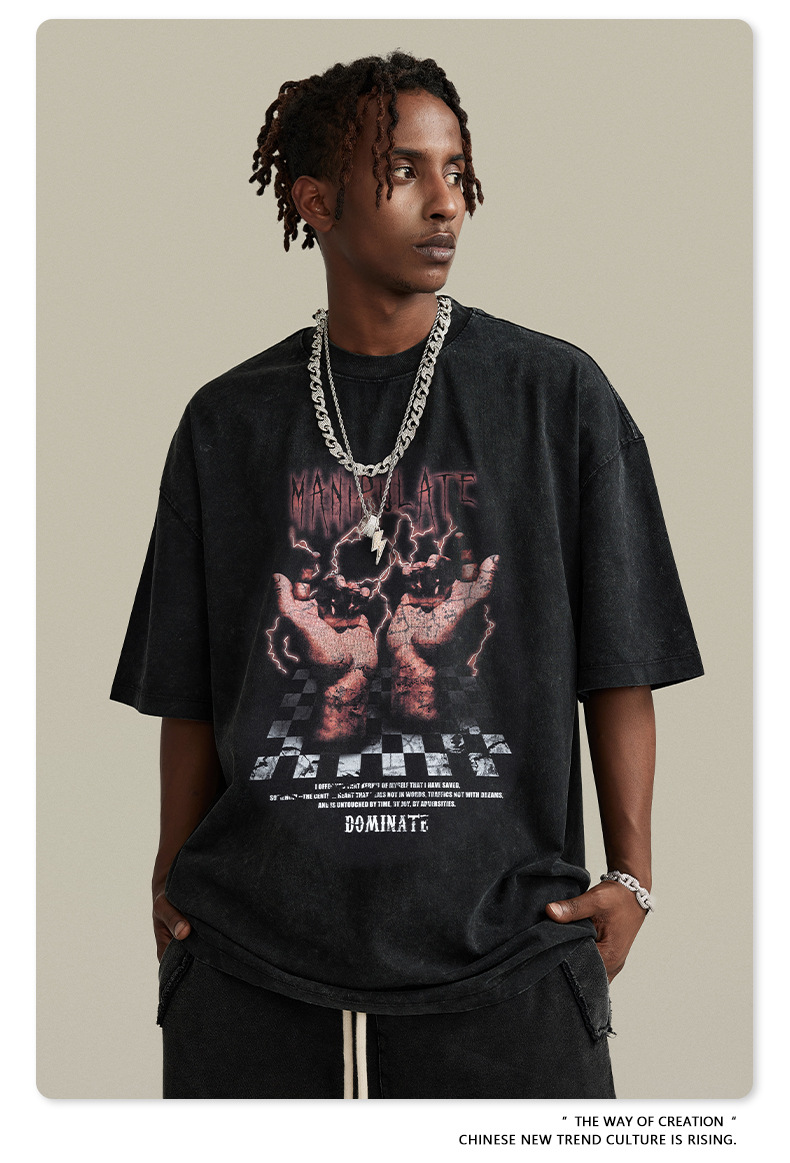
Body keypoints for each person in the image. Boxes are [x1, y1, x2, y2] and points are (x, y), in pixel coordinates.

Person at [110, 51, 703, 1100]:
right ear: (315, 201)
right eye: (404, 170)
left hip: (505, 969)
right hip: (253, 979)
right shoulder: (227, 422)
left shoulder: (554, 396)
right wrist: (170, 871)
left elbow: (622, 658)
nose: (446, 202)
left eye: (456, 170)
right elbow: (193, 688)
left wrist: (632, 875)